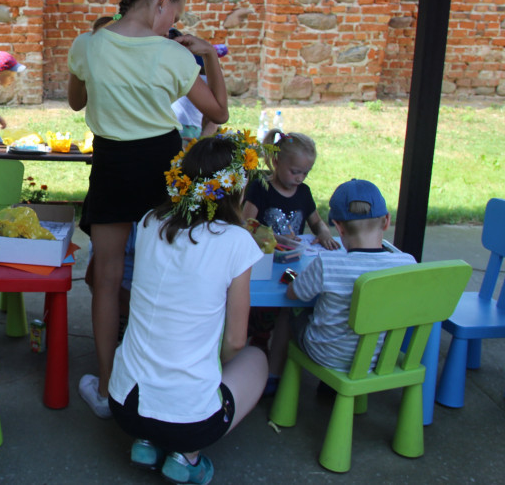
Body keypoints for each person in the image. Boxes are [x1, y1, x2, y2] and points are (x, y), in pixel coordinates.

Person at [68, 0, 230, 418]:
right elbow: (219, 111)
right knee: (162, 277)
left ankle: (105, 387)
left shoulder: (89, 45)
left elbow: (77, 101)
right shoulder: (174, 55)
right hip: (161, 167)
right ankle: (159, 385)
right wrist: (209, 56)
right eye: (175, 9)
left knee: (104, 279)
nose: (173, 22)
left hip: (112, 164)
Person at [109, 132, 268, 484]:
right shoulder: (237, 241)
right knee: (256, 359)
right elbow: (237, 340)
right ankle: (186, 456)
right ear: (236, 188)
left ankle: (146, 442)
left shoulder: (151, 221)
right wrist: (209, 369)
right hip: (190, 423)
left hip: (124, 405)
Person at [274, 179, 415, 376]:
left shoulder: (328, 264)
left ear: (339, 227)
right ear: (386, 221)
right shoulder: (407, 264)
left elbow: (293, 293)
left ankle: (274, 374)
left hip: (326, 355)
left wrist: (291, 275)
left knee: (289, 312)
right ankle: (331, 390)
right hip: (380, 358)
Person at [242, 128, 339, 390]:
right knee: (258, 307)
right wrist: (273, 237)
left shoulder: (304, 193)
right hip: (261, 263)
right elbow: (245, 223)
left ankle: (277, 358)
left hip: (291, 266)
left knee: (290, 299)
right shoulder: (260, 187)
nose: (299, 178)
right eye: (295, 171)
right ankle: (256, 346)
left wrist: (325, 233)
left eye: (305, 173)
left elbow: (316, 221)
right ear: (276, 162)